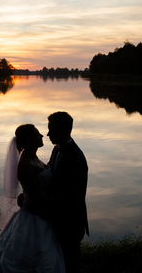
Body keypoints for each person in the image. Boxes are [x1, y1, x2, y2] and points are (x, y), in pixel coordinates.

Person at [0, 124, 65, 273]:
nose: (41, 136)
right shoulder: (26, 164)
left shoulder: (34, 158)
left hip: (41, 215)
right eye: (37, 134)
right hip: (34, 217)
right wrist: (62, 198)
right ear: (27, 141)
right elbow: (36, 201)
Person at [44, 111, 89, 273]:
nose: (48, 134)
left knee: (70, 263)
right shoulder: (57, 149)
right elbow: (49, 173)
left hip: (71, 220)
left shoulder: (75, 157)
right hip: (59, 218)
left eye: (52, 130)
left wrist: (39, 202)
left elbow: (71, 196)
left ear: (63, 129)